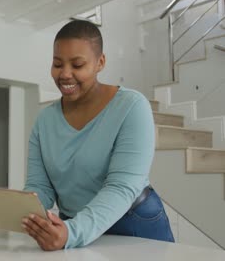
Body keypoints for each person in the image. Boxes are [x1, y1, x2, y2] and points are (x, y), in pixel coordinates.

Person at [21, 20, 174, 251]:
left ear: (100, 62)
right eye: (57, 64)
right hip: (72, 225)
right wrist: (17, 211)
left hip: (132, 222)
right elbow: (39, 188)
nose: (65, 74)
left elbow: (121, 187)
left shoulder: (132, 107)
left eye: (77, 65)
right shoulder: (44, 121)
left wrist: (71, 234)